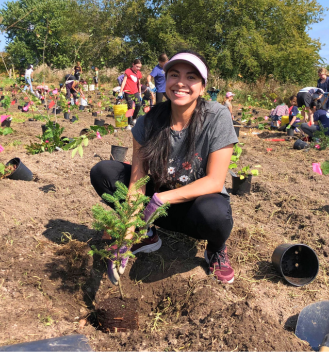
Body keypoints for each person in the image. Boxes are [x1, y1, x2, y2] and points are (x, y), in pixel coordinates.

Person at [90, 50, 238, 285]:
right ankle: (146, 236)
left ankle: (216, 250)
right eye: (174, 75)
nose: (181, 83)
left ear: (202, 87)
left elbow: (215, 181)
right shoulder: (149, 121)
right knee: (104, 172)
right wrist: (128, 234)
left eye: (191, 77)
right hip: (155, 206)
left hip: (194, 208)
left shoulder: (216, 117)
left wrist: (161, 199)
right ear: (165, 80)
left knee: (217, 216)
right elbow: (137, 184)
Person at [119, 59, 143, 125]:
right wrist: (121, 91)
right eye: (137, 66)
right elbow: (124, 81)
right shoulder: (128, 71)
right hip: (128, 91)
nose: (138, 68)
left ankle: (134, 118)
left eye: (140, 67)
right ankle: (129, 124)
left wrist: (140, 93)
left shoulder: (139, 73)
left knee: (138, 105)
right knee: (130, 107)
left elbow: (139, 84)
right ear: (133, 64)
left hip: (135, 92)